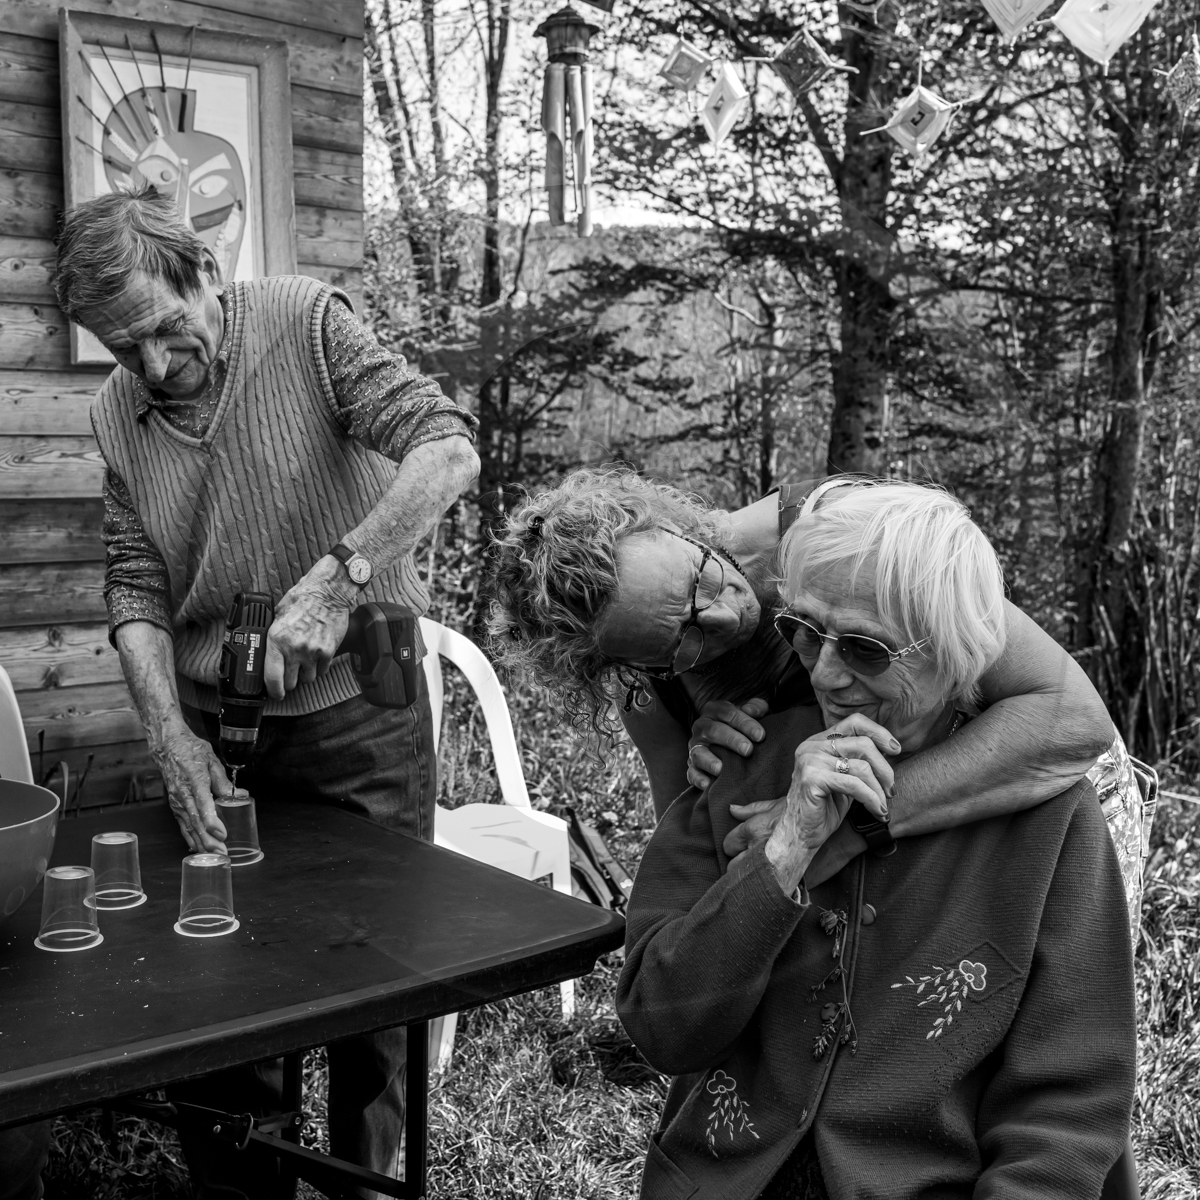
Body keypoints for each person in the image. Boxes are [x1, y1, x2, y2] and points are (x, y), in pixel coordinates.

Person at [42, 184, 480, 1200]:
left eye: (163, 329)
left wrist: (338, 579)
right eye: (123, 348)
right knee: (221, 981)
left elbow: (447, 447)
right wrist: (168, 737)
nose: (154, 365)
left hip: (362, 711)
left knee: (374, 984)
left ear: (204, 270)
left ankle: (365, 1187)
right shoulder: (116, 416)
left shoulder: (304, 323)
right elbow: (135, 583)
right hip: (216, 731)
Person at [616, 481, 1137, 1199]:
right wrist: (785, 850)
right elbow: (662, 1030)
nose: (825, 674)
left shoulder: (1051, 821)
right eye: (804, 632)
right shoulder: (739, 762)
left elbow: (1067, 1106)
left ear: (957, 652)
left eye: (866, 649)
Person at [489, 467, 1147, 930]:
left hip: (1042, 784)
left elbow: (1067, 717)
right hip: (903, 858)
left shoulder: (831, 528)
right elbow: (695, 873)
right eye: (682, 641)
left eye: (699, 581)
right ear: (630, 669)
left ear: (677, 527)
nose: (725, 617)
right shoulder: (654, 700)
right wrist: (710, 776)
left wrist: (852, 825)